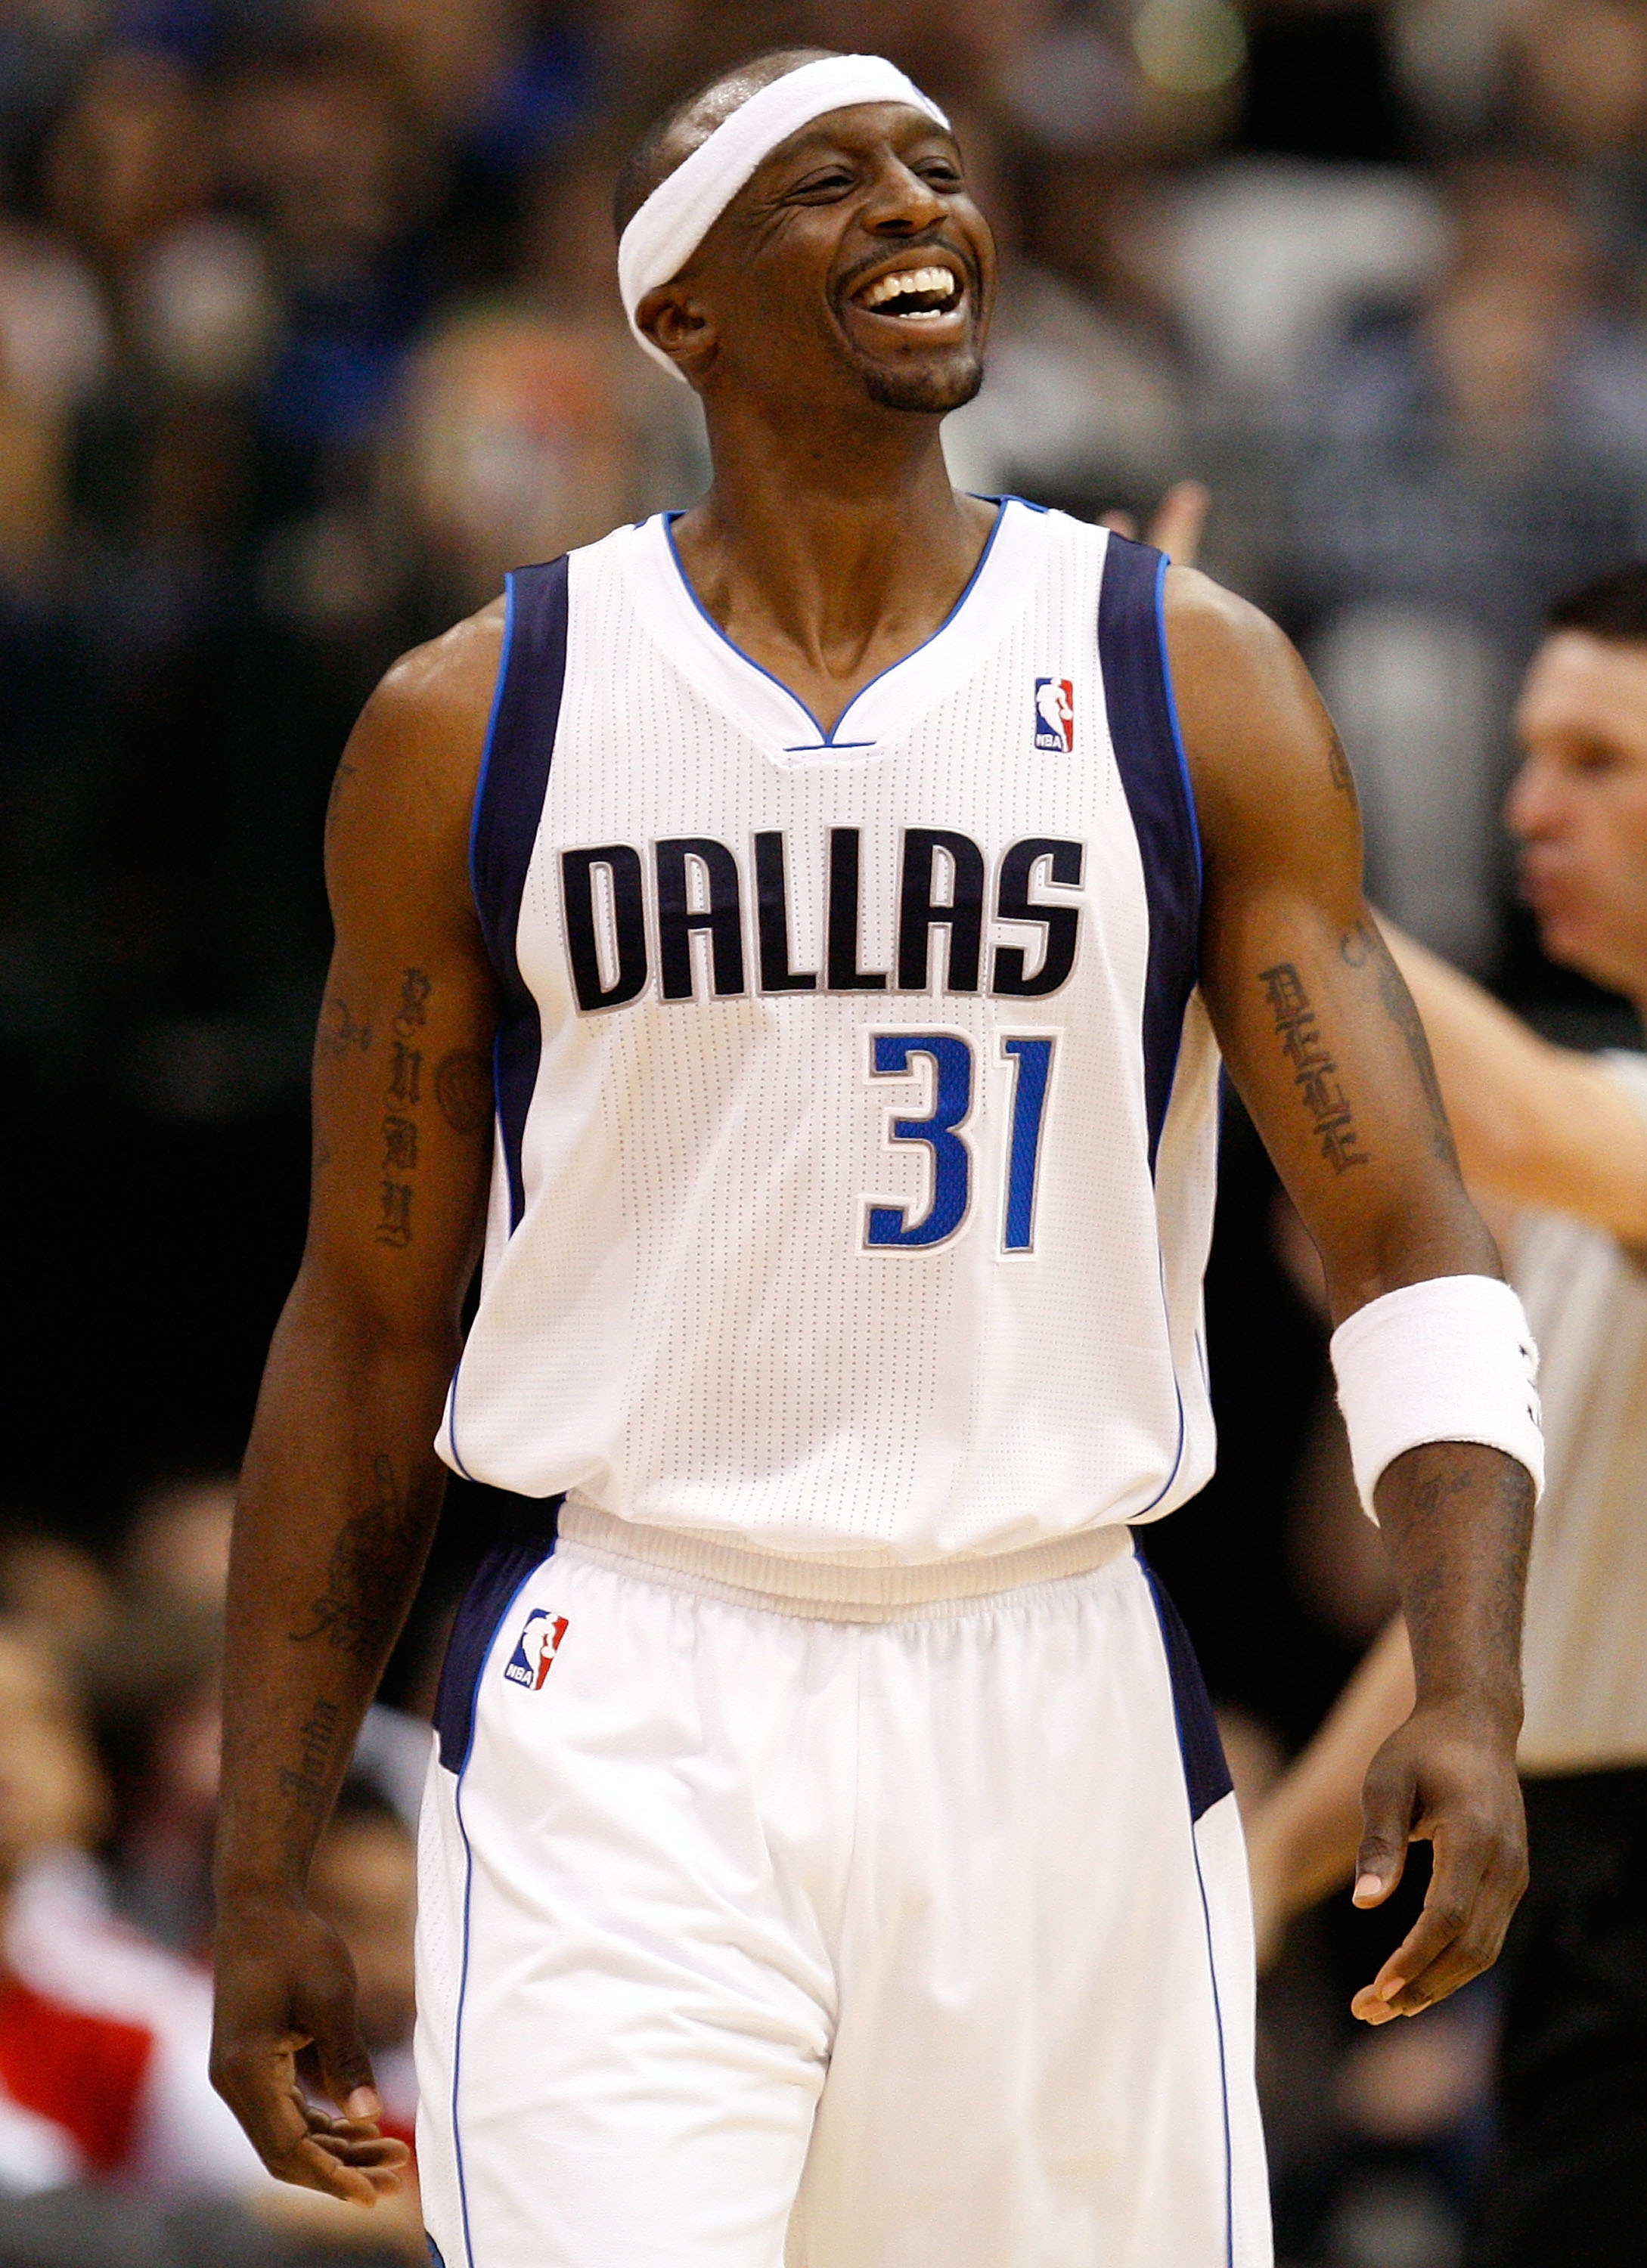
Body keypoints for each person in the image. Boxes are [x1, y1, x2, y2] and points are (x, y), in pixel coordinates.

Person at [209, 48, 1543, 2268]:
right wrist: (259, 1869)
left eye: (938, 168)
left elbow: (1409, 1236)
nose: (916, 209)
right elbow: (363, 1319)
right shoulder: (484, 716)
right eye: (824, 184)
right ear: (681, 313)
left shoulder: (1173, 678)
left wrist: (1467, 1691)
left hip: (1054, 1683)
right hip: (635, 1682)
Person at [1248, 559, 1647, 2267]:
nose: (1525, 808)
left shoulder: (1574, 1135)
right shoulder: (1602, 1122)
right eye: (1528, 754)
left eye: (1599, 760)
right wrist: (1248, 1886)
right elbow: (1500, 1630)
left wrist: (1223, 789)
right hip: (1598, 1919)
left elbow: (1487, 1103)